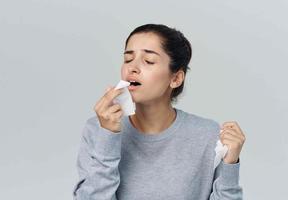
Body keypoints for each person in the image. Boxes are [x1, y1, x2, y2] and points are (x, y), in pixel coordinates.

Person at [73, 24, 246, 200]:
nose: (132, 68)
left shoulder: (208, 134)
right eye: (128, 59)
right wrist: (108, 136)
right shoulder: (98, 129)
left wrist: (230, 166)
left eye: (148, 61)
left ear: (176, 78)